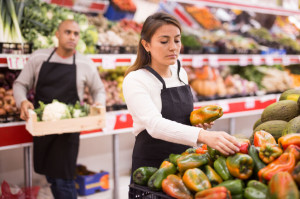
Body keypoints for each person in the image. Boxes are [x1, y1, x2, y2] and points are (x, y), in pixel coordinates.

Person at [122, 12, 241, 179]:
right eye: (164, 41)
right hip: (152, 168)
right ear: (146, 45)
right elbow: (154, 125)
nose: (173, 47)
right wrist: (203, 136)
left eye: (177, 40)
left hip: (185, 162)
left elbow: (177, 119)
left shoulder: (180, 73)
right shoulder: (136, 79)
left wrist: (194, 123)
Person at [13, 20, 105, 199]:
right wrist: (22, 102)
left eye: (76, 34)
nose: (72, 37)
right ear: (57, 34)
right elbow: (20, 84)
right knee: (51, 176)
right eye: (68, 32)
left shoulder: (85, 63)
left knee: (64, 179)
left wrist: (99, 103)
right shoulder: (39, 57)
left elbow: (99, 89)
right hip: (43, 127)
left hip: (69, 130)